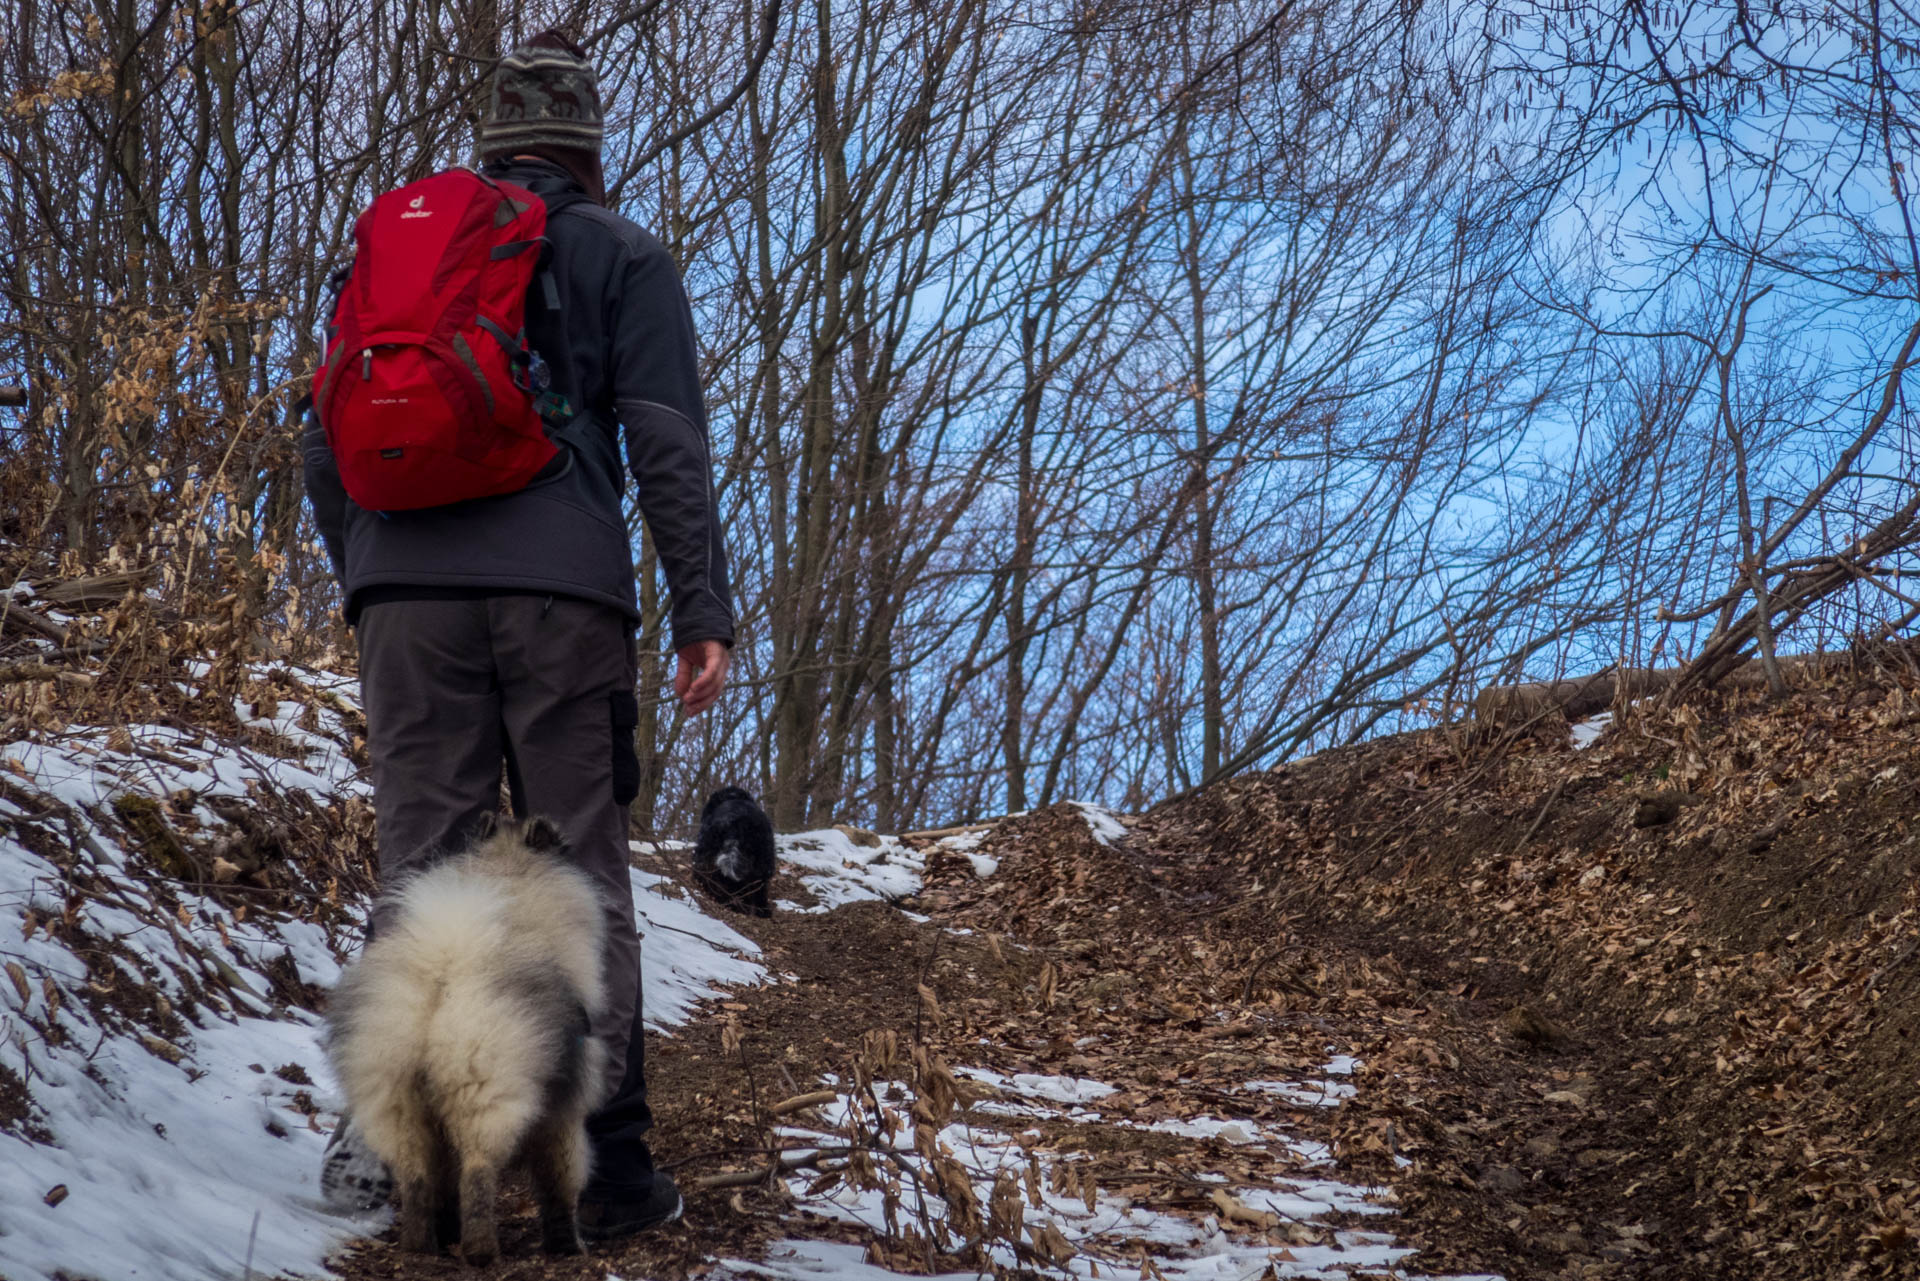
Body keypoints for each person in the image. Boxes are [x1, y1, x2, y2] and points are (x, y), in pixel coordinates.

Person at [302, 29, 734, 1239]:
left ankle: (389, 1151)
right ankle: (610, 1171)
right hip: (561, 599)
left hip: (403, 593)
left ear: (489, 144)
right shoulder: (622, 254)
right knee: (581, 874)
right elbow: (667, 447)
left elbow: (317, 440)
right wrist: (701, 609)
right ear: (591, 153)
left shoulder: (402, 252)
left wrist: (373, 581)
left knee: (422, 864)